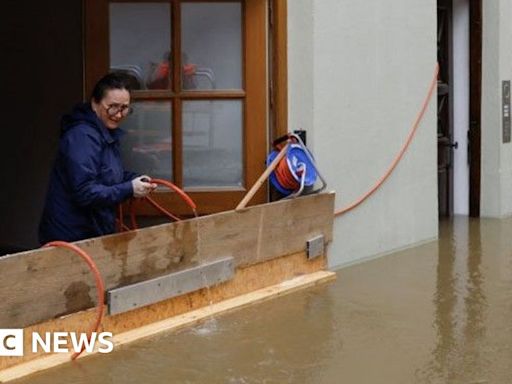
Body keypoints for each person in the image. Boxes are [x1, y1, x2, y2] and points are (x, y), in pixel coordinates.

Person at [39, 73, 156, 244]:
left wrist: (134, 180)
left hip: (91, 231)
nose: (118, 114)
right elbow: (85, 192)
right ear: (94, 103)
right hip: (71, 235)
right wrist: (129, 189)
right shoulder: (82, 136)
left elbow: (106, 175)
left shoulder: (105, 132)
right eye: (113, 107)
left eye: (125, 108)